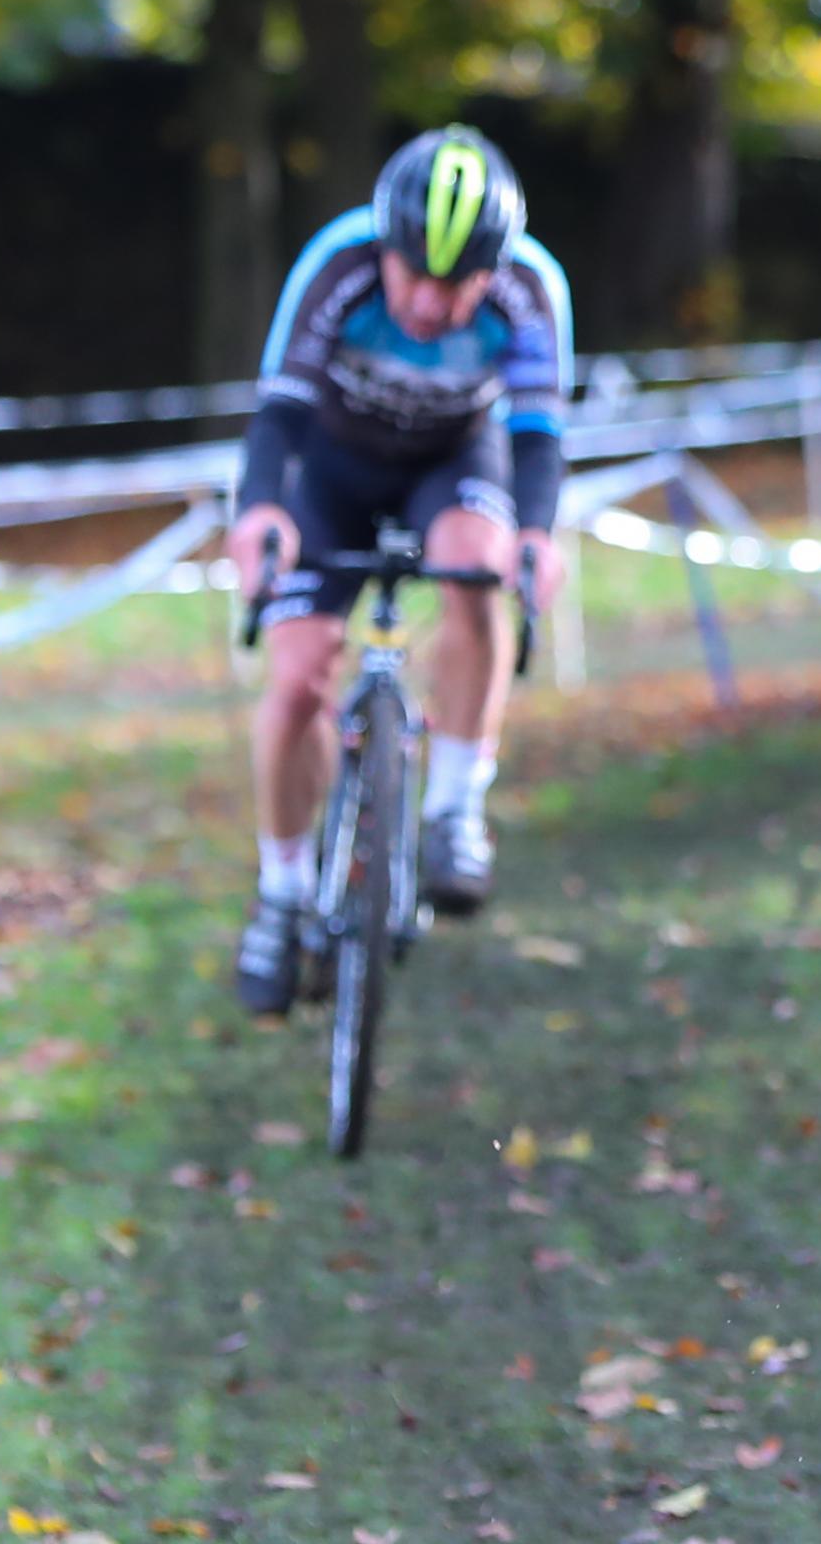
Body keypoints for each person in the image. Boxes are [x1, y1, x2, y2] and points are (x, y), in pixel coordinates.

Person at [226, 125, 573, 1017]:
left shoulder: (533, 289)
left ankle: (455, 805)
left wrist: (535, 533)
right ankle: (282, 889)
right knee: (298, 677)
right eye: (412, 273)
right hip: (330, 469)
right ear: (383, 248)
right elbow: (278, 414)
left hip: (452, 463)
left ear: (492, 271)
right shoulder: (336, 265)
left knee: (477, 563)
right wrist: (260, 510)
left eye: (456, 284)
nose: (427, 301)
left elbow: (537, 436)